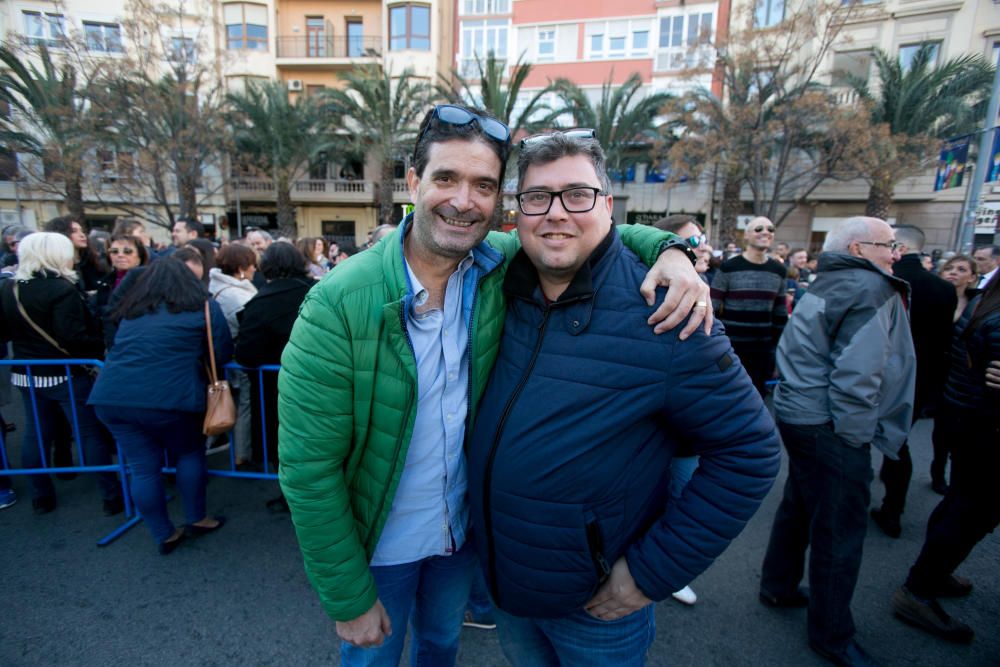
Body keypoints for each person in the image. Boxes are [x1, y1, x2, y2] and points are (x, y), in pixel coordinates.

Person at [277, 104, 710, 667]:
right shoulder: (338, 301)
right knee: (371, 660)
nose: (464, 200)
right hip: (379, 546)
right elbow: (308, 470)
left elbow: (589, 227)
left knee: (441, 646)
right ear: (413, 181)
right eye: (447, 178)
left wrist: (671, 252)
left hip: (462, 536)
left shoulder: (498, 264)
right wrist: (345, 596)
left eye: (483, 184)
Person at [466, 131, 780, 666]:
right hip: (508, 587)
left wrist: (652, 573)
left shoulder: (666, 310)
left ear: (608, 207)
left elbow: (750, 451)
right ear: (516, 213)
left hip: (596, 610)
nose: (555, 213)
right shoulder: (500, 286)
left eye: (578, 196)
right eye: (537, 198)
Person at [759, 216, 914, 667]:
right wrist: (856, 436)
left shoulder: (833, 280)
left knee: (801, 504)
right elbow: (856, 375)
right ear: (859, 248)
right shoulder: (869, 289)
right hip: (829, 423)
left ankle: (778, 585)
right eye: (888, 244)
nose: (895, 253)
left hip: (802, 414)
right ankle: (831, 635)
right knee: (839, 530)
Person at [89, 258, 231, 554]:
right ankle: (197, 518)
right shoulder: (204, 307)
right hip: (171, 399)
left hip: (112, 397)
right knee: (190, 454)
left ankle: (163, 534)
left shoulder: (133, 310)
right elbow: (221, 352)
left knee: (142, 468)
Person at [889, 273, 1000, 644]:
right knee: (970, 511)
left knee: (961, 504)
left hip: (967, 420)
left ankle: (933, 573)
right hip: (984, 426)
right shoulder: (991, 309)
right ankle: (920, 588)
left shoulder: (985, 301)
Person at [0, 232, 124, 516]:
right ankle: (111, 495)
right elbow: (73, 337)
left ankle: (41, 497)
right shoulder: (61, 289)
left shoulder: (8, 288)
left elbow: (3, 332)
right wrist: (100, 346)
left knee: (36, 435)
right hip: (65, 373)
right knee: (89, 433)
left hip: (24, 372)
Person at [870, 225, 956, 537]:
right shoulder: (943, 289)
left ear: (899, 248)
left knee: (862, 435)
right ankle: (893, 507)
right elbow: (946, 342)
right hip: (922, 379)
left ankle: (883, 505)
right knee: (899, 440)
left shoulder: (883, 283)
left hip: (878, 373)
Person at [234, 242, 313, 506]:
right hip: (320, 383)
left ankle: (290, 495)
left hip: (275, 389)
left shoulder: (261, 302)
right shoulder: (317, 291)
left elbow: (246, 354)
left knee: (285, 444)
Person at [710, 217, 788, 397]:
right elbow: (711, 308)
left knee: (757, 400)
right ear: (746, 236)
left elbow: (780, 316)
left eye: (770, 228)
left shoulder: (779, 270)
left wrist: (778, 356)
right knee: (727, 398)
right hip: (731, 350)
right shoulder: (729, 268)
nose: (765, 232)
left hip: (763, 351)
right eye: (758, 229)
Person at [208, 244, 258, 467]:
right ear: (241, 268)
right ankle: (242, 454)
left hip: (225, 357)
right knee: (243, 406)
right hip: (238, 359)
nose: (255, 269)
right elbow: (249, 328)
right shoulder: (238, 296)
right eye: (252, 264)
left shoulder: (215, 287)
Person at [93, 234, 150, 324]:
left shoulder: (148, 281)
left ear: (140, 257)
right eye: (114, 251)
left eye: (127, 251)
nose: (120, 255)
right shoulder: (105, 281)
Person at [44, 216, 108, 292]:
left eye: (82, 231)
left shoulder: (92, 261)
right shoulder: (53, 267)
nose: (82, 235)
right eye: (74, 231)